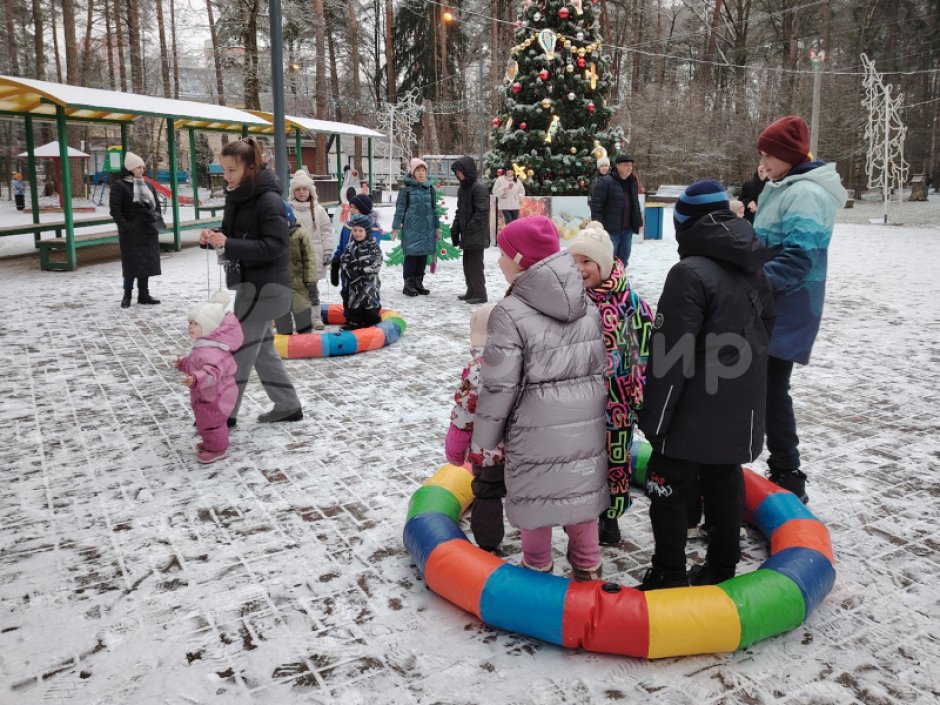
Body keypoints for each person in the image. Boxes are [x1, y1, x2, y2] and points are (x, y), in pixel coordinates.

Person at [635, 180, 774, 590]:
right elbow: (767, 328)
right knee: (724, 483)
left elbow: (670, 357)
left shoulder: (688, 274)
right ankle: (722, 567)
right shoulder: (753, 264)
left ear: (685, 224)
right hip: (738, 403)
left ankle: (668, 573)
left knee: (667, 488)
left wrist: (655, 421)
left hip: (690, 411)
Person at [470, 215, 608, 581]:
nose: (498, 261)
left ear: (520, 261)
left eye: (503, 254)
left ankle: (537, 570)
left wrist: (484, 439)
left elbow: (499, 384)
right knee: (579, 497)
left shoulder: (509, 313)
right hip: (583, 426)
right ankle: (588, 568)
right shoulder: (586, 304)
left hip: (532, 431)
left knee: (535, 500)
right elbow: (598, 370)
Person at [753, 115, 848, 503]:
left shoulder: (805, 193)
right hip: (773, 305)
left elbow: (799, 258)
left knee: (772, 390)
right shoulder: (785, 186)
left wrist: (751, 284)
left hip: (786, 309)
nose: (762, 161)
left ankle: (788, 473)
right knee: (765, 388)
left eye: (768, 154)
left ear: (788, 155)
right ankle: (782, 467)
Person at [199, 137, 303, 426]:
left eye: (232, 170)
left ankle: (223, 413)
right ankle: (288, 405)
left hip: (265, 290)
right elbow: (235, 233)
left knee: (240, 352)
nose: (226, 176)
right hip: (250, 286)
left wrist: (229, 243)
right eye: (224, 170)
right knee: (262, 351)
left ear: (251, 168)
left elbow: (275, 246)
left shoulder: (268, 201)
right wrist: (214, 236)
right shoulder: (238, 194)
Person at [568, 222, 654, 546]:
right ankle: (580, 519)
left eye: (587, 261)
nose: (580, 268)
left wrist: (638, 398)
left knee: (614, 461)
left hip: (616, 402)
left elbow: (643, 354)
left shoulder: (631, 303)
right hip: (575, 402)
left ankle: (610, 518)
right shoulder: (569, 301)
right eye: (574, 261)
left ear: (603, 264)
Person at [444, 303, 506, 552]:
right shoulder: (527, 361)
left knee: (488, 492)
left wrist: (455, 449)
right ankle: (535, 541)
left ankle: (489, 542)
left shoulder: (477, 370)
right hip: (523, 446)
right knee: (524, 491)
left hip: (488, 450)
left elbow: (464, 414)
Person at [175, 291, 244, 464]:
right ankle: (211, 443)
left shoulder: (213, 351)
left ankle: (218, 449)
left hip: (217, 396)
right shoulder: (204, 346)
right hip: (208, 394)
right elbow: (196, 362)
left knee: (212, 423)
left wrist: (196, 379)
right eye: (190, 323)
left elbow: (212, 373)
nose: (190, 327)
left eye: (196, 324)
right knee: (205, 421)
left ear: (209, 327)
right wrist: (183, 364)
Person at [109, 152, 162, 309]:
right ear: (130, 168)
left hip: (148, 229)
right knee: (131, 264)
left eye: (142, 167)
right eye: (139, 167)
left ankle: (144, 294)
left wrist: (154, 218)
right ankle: (127, 295)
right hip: (131, 232)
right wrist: (126, 226)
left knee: (145, 263)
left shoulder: (148, 185)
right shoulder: (119, 186)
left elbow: (157, 205)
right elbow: (115, 210)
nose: (142, 170)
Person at [288, 169, 333, 329]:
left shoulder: (319, 210)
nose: (302, 192)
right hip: (294, 257)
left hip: (314, 256)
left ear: (310, 191)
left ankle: (315, 317)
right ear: (293, 192)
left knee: (312, 289)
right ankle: (297, 318)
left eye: (305, 189)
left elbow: (326, 231)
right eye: (298, 189)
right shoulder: (288, 210)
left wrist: (327, 251)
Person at [391, 157, 441, 297]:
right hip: (411, 228)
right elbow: (400, 209)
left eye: (423, 170)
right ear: (413, 172)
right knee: (412, 256)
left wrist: (437, 227)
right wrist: (395, 227)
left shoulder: (430, 188)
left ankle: (419, 284)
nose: (421, 173)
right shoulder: (406, 189)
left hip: (427, 228)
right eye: (418, 170)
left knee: (422, 256)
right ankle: (408, 285)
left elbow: (434, 209)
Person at [331, 195, 383, 314]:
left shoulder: (373, 228)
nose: (351, 210)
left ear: (363, 209)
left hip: (363, 274)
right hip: (347, 271)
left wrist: (362, 271)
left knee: (364, 296)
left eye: (355, 207)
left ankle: (367, 318)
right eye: (350, 207)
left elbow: (373, 252)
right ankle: (350, 317)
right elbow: (341, 246)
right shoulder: (348, 226)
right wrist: (336, 261)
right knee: (346, 294)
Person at [450, 156, 491, 304]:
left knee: (475, 266)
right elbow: (460, 211)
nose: (457, 174)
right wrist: (455, 229)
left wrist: (469, 228)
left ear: (467, 170)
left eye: (459, 171)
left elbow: (482, 212)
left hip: (476, 234)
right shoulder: (463, 188)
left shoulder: (479, 187)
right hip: (468, 234)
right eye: (456, 172)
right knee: (467, 265)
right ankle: (471, 291)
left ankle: (480, 294)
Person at [589, 154, 643, 269]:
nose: (629, 168)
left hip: (627, 229)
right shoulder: (605, 182)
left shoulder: (632, 181)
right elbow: (596, 206)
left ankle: (620, 277)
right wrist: (598, 225)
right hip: (610, 229)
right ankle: (608, 278)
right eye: (626, 165)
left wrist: (639, 221)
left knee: (624, 258)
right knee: (609, 258)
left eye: (631, 165)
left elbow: (635, 203)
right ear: (618, 166)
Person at [273, 202, 318, 335]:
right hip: (278, 288)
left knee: (303, 318)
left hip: (299, 286)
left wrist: (310, 282)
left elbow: (309, 259)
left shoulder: (300, 235)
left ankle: (305, 336)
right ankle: (284, 335)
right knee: (282, 320)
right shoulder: (271, 238)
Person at [338, 213, 383, 330]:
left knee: (370, 305)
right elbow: (344, 260)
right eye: (355, 230)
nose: (357, 233)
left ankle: (372, 323)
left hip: (369, 284)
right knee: (354, 304)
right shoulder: (350, 246)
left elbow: (377, 264)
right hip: (354, 284)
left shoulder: (373, 246)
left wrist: (362, 272)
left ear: (366, 231)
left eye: (360, 231)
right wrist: (349, 272)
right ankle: (355, 323)